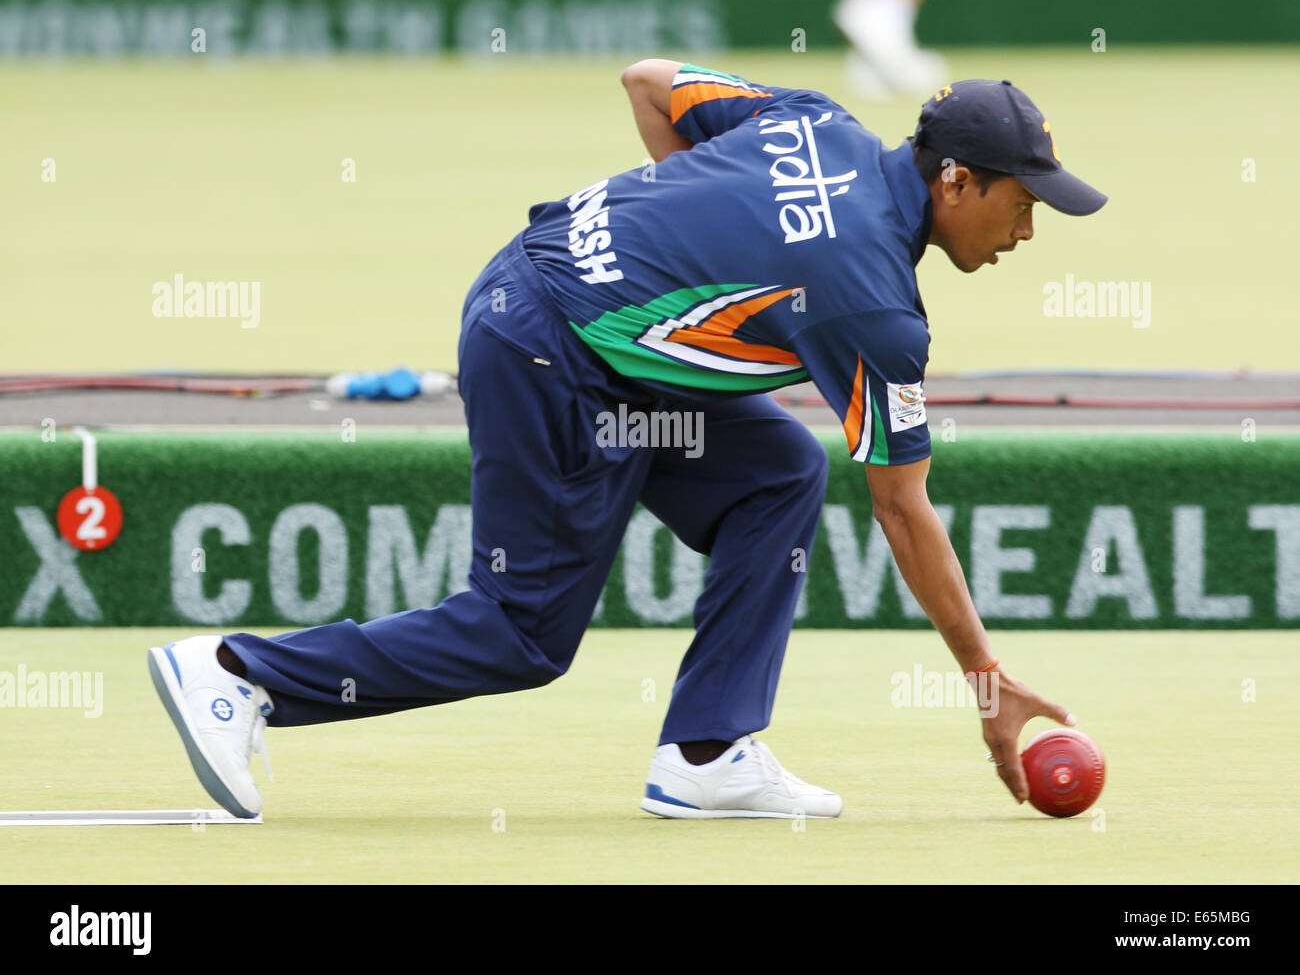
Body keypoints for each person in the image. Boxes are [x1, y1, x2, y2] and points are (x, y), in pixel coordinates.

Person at [148, 61, 1106, 821]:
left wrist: (665, 246)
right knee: (521, 630)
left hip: (536, 292)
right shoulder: (875, 306)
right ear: (954, 181)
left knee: (777, 470)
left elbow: (649, 81)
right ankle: (237, 676)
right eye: (1023, 202)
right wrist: (987, 681)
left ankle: (707, 753)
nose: (1029, 229)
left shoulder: (821, 123)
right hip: (545, 351)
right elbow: (902, 507)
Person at [834, 0, 946, 99]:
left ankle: (870, 74)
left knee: (926, 75)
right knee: (918, 78)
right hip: (869, 6)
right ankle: (872, 76)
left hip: (893, 7)